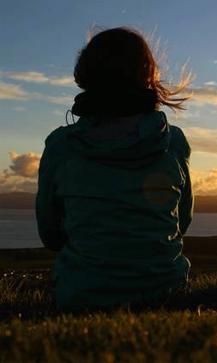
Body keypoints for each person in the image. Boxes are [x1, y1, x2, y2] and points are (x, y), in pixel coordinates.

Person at [35, 27, 193, 311]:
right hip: (167, 294)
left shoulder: (61, 146)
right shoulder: (173, 142)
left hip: (81, 297)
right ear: (147, 74)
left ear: (84, 75)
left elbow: (51, 235)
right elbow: (181, 222)